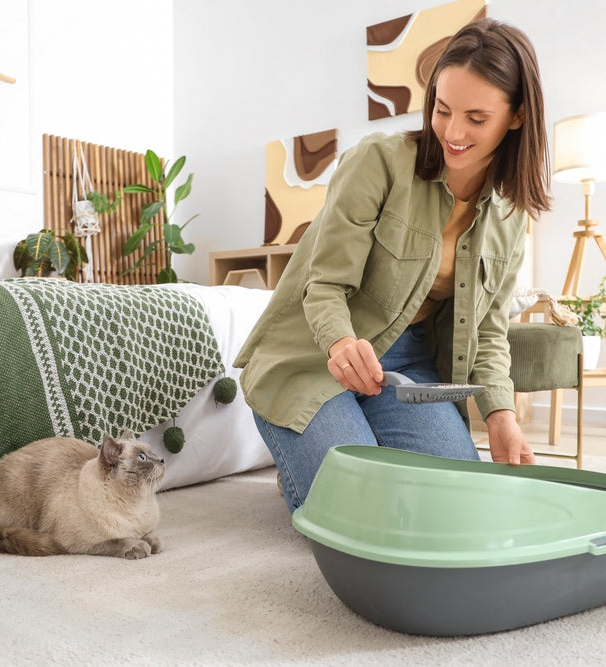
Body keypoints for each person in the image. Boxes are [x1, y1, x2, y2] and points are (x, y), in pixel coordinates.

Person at [233, 18, 552, 511]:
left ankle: (337, 447)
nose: (453, 132)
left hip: (407, 369)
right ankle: (304, 452)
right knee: (361, 510)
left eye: (476, 118)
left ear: (516, 116)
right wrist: (340, 343)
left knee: (458, 502)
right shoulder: (380, 161)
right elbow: (323, 286)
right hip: (314, 357)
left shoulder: (510, 214)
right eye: (442, 111)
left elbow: (488, 331)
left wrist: (500, 415)